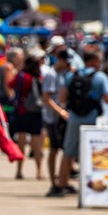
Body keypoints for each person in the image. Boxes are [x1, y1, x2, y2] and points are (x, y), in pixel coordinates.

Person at [54, 49, 108, 197]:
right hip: (92, 120)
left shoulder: (71, 75)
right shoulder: (100, 77)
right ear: (94, 61)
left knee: (68, 152)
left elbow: (62, 98)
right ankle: (90, 187)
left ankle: (62, 183)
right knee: (91, 154)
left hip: (74, 118)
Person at [42, 49, 72, 196]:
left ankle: (63, 180)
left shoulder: (64, 74)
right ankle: (54, 183)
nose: (68, 64)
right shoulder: (51, 74)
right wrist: (60, 111)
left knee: (64, 149)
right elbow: (46, 98)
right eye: (66, 61)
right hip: (52, 118)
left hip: (61, 117)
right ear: (59, 59)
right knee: (54, 149)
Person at [9, 53, 44, 180]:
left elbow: (10, 84)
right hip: (36, 112)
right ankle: (39, 171)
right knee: (37, 144)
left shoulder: (22, 76)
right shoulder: (38, 77)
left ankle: (19, 171)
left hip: (22, 111)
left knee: (21, 143)